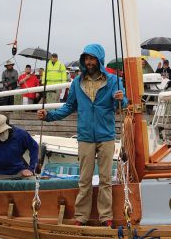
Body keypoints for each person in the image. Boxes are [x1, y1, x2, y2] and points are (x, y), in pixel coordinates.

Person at [37, 43, 127, 227]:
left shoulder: (113, 81)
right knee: (84, 179)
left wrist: (121, 99)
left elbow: (123, 103)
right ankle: (81, 217)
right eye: (86, 59)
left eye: (92, 58)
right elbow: (69, 106)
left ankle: (105, 217)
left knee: (105, 180)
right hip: (85, 136)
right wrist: (49, 116)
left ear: (99, 60)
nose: (89, 62)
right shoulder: (77, 82)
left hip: (106, 136)